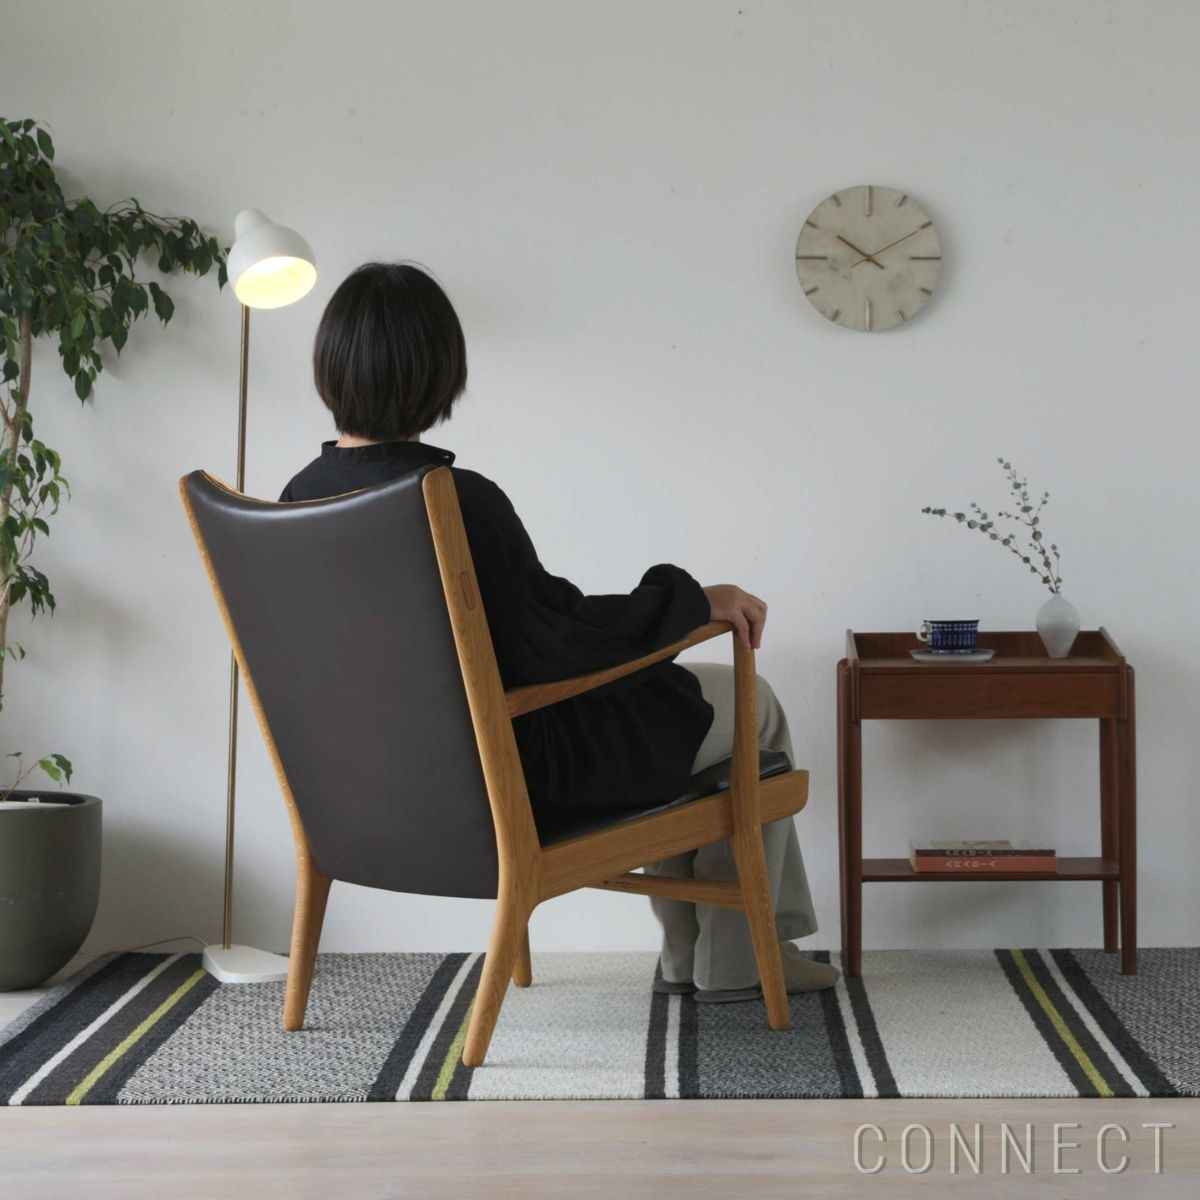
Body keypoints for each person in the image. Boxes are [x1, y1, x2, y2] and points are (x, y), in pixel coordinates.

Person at [280, 262, 837, 999]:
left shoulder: (294, 504)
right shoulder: (453, 501)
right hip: (514, 780)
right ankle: (736, 957)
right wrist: (692, 601)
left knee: (691, 718)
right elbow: (561, 642)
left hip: (369, 798)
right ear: (441, 372)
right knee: (749, 702)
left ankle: (693, 955)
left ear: (329, 368)